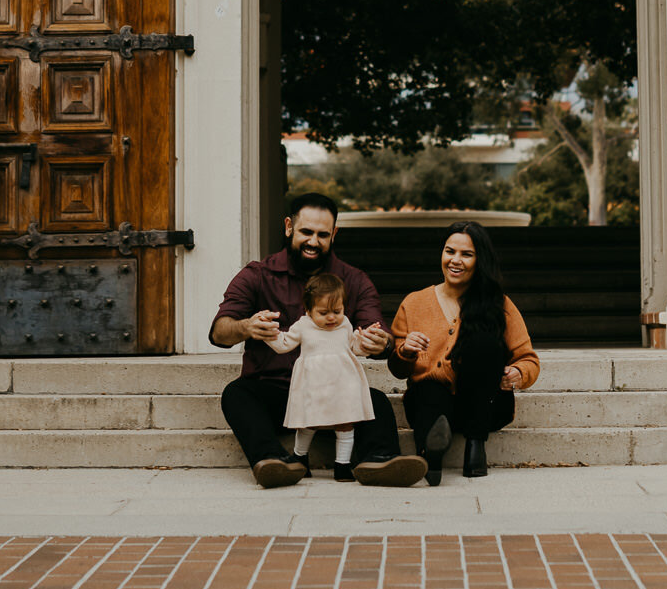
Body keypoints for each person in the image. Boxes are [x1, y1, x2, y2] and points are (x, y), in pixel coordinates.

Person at [210, 192, 427, 489]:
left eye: (323, 235)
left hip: (337, 394)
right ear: (289, 227)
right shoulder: (257, 274)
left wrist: (382, 343)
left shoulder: (354, 280)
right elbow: (219, 331)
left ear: (334, 234)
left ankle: (378, 460)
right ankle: (275, 462)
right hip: (279, 393)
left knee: (376, 401)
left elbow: (379, 333)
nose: (313, 241)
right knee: (236, 394)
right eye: (306, 232)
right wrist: (246, 327)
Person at [388, 220, 539, 484]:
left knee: (484, 344)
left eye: (466, 254)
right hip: (432, 404)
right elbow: (398, 371)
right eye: (450, 251)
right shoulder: (414, 303)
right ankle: (430, 455)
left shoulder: (498, 304)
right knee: (428, 387)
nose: (455, 260)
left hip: (484, 402)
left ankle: (475, 445)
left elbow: (529, 359)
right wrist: (405, 352)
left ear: (479, 260)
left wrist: (517, 372)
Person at [267, 271, 375, 482]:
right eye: (323, 312)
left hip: (343, 384)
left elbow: (354, 347)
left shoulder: (345, 324)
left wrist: (363, 341)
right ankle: (300, 458)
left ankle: (342, 465)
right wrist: (268, 332)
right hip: (313, 385)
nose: (332, 317)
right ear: (308, 310)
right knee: (308, 423)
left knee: (346, 423)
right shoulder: (303, 325)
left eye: (337, 310)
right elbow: (283, 344)